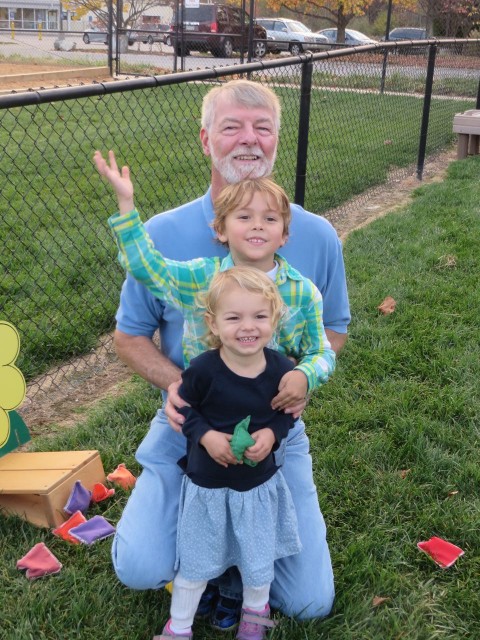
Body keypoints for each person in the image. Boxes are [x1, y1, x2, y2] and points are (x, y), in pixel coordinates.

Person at [102, 79, 350, 627]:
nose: (249, 139)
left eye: (263, 128)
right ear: (205, 138)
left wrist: (306, 377)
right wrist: (176, 387)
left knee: (310, 603)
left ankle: (237, 565)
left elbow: (332, 330)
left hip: (274, 425)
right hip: (187, 419)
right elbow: (129, 333)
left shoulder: (314, 240)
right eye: (232, 126)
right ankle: (199, 553)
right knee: (140, 568)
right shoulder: (170, 239)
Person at [96, 156, 336, 406]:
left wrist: (304, 375)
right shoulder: (202, 278)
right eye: (244, 217)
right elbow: (145, 267)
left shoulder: (303, 292)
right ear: (221, 230)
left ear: (284, 235)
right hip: (205, 414)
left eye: (270, 219)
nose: (257, 226)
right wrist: (126, 204)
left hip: (273, 417)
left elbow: (321, 352)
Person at [155, 266, 303, 639]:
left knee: (257, 563)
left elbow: (287, 416)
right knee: (194, 563)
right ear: (214, 323)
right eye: (234, 317)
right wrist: (206, 437)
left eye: (259, 316)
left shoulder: (281, 370)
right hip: (208, 488)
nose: (247, 327)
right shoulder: (203, 370)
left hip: (256, 489)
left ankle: (255, 617)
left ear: (274, 319)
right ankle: (179, 626)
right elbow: (185, 410)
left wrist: (271, 432)